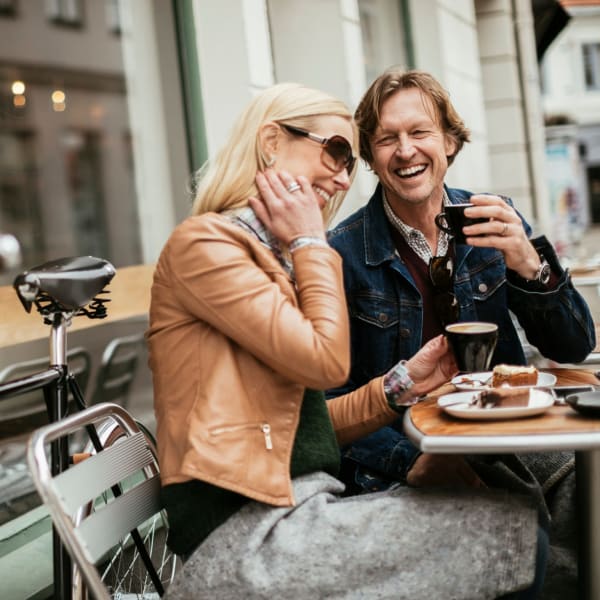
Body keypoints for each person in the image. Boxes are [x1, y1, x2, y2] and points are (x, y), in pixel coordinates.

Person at [146, 82, 545, 599]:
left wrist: (404, 381)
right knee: (512, 538)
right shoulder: (206, 245)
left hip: (301, 504)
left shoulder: (268, 258)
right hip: (244, 532)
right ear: (270, 143)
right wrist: (311, 240)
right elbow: (326, 364)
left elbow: (307, 430)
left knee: (516, 514)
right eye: (334, 151)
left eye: (349, 162)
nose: (340, 178)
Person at [326, 68, 594, 597]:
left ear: (449, 140)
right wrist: (413, 460)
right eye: (387, 139)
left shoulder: (493, 219)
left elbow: (575, 345)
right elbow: (330, 403)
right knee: (514, 518)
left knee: (590, 490)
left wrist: (529, 265)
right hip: (408, 456)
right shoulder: (342, 253)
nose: (405, 151)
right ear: (370, 156)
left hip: (508, 435)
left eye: (420, 132)